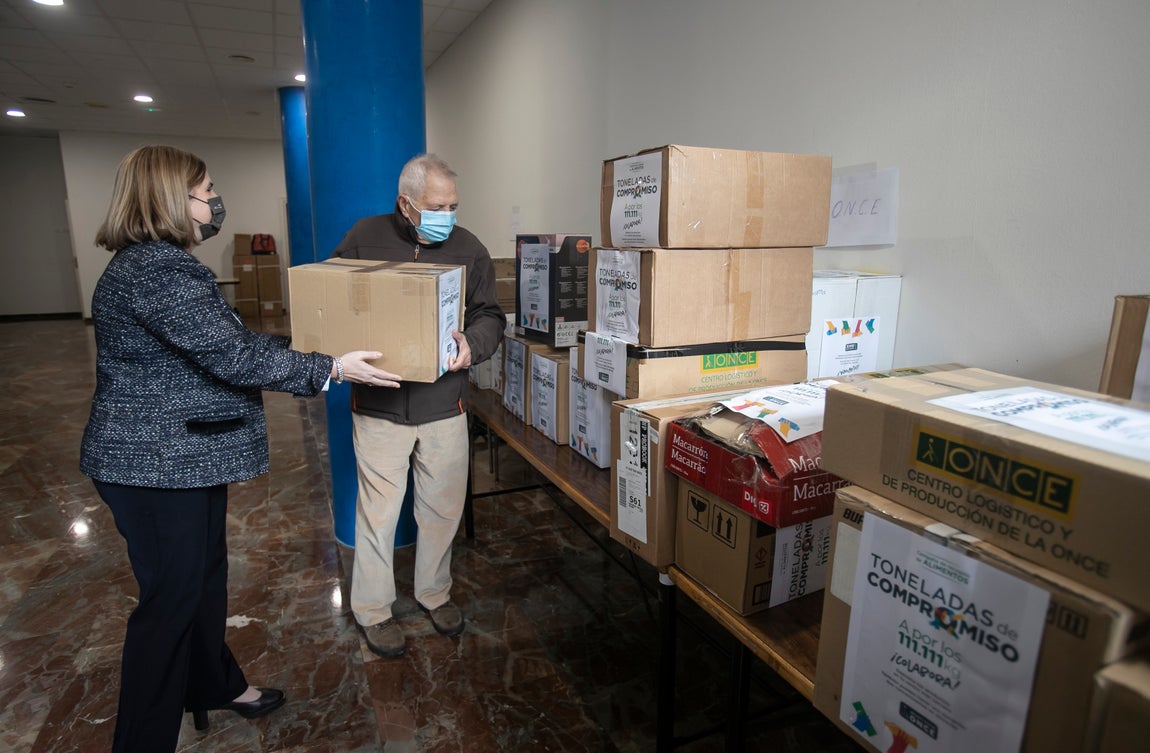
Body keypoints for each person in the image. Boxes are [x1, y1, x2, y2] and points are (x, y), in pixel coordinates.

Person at [80, 145, 400, 753]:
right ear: (173, 199)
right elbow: (231, 355)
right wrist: (330, 366)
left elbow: (223, 340)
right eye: (206, 190)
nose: (214, 200)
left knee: (203, 581)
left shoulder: (160, 265)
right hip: (154, 464)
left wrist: (306, 346)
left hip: (181, 458)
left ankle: (211, 685)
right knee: (169, 604)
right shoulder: (157, 269)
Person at [333, 153, 505, 658]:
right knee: (378, 514)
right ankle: (373, 610)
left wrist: (474, 343)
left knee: (442, 509)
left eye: (452, 205)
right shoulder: (363, 238)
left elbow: (490, 314)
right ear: (406, 204)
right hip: (379, 407)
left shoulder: (469, 248)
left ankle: (434, 593)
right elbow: (338, 305)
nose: (446, 216)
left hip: (444, 405)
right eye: (436, 206)